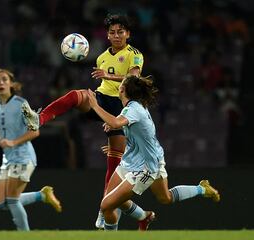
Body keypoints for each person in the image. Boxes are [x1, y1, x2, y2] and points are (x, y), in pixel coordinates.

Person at [24, 13, 144, 229]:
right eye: (112, 32)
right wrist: (101, 86)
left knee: (114, 164)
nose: (116, 35)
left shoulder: (134, 54)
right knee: (76, 95)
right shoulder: (101, 57)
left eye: (120, 32)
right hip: (101, 99)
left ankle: (104, 209)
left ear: (128, 34)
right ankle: (39, 118)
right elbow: (102, 84)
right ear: (107, 35)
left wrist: (107, 76)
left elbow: (134, 79)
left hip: (121, 106)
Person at [86, 75, 221, 231]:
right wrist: (115, 125)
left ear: (121, 89)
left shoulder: (133, 109)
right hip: (133, 160)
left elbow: (118, 122)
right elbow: (128, 126)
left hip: (145, 167)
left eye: (121, 83)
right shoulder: (134, 106)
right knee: (164, 198)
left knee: (107, 205)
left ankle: (123, 229)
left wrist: (95, 106)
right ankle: (200, 190)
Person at [0, 69, 62, 231]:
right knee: (1, 203)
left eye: (4, 79)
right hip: (8, 160)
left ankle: (24, 235)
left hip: (24, 157)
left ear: (11, 84)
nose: (0, 83)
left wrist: (14, 142)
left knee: (12, 200)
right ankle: (41, 195)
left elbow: (35, 131)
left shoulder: (21, 104)